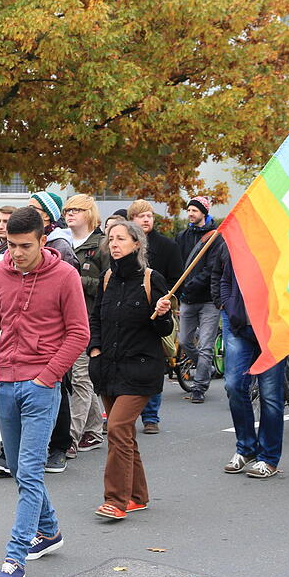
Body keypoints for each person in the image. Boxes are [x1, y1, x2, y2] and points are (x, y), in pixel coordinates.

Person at [0, 207, 89, 577]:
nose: (16, 253)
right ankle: (49, 531)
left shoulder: (66, 275)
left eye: (24, 246)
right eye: (11, 245)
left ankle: (15, 556)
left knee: (30, 472)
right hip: (6, 383)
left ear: (42, 241)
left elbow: (79, 334)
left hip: (41, 388)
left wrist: (46, 378)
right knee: (19, 470)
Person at [88, 221, 172, 520]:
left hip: (141, 369)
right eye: (111, 238)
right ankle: (138, 495)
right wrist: (95, 348)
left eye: (121, 239)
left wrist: (163, 314)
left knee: (118, 428)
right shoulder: (108, 277)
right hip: (109, 368)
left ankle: (116, 500)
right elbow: (96, 317)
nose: (114, 243)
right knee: (124, 436)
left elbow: (164, 328)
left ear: (137, 244)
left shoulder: (152, 279)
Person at [218, 242, 288, 478]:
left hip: (273, 331)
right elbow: (225, 279)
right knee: (234, 385)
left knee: (270, 395)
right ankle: (246, 448)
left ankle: (268, 458)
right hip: (241, 328)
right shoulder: (240, 244)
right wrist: (230, 308)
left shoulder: (284, 247)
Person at [127, 199, 183, 433]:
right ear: (132, 220)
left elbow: (177, 279)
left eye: (149, 215)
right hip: (129, 313)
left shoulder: (167, 246)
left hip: (157, 312)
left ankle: (151, 417)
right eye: (141, 216)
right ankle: (125, 414)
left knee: (154, 365)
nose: (147, 219)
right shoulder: (124, 245)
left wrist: (164, 301)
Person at [63, 194, 106, 457]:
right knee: (75, 379)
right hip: (63, 318)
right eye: (68, 210)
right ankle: (95, 428)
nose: (70, 215)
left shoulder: (101, 244)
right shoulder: (62, 241)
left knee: (80, 377)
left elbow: (108, 284)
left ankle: (72, 435)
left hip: (88, 320)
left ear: (89, 213)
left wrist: (76, 280)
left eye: (77, 210)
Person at [174, 196, 220, 404]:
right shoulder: (182, 236)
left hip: (209, 299)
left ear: (204, 212)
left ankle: (199, 387)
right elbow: (177, 265)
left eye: (194, 210)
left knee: (205, 346)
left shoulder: (216, 237)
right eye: (189, 210)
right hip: (187, 299)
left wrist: (192, 284)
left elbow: (213, 268)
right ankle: (206, 366)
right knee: (184, 340)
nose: (190, 213)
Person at [28, 191, 77, 266]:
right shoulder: (26, 238)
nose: (26, 212)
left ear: (47, 216)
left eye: (32, 208)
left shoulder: (61, 247)